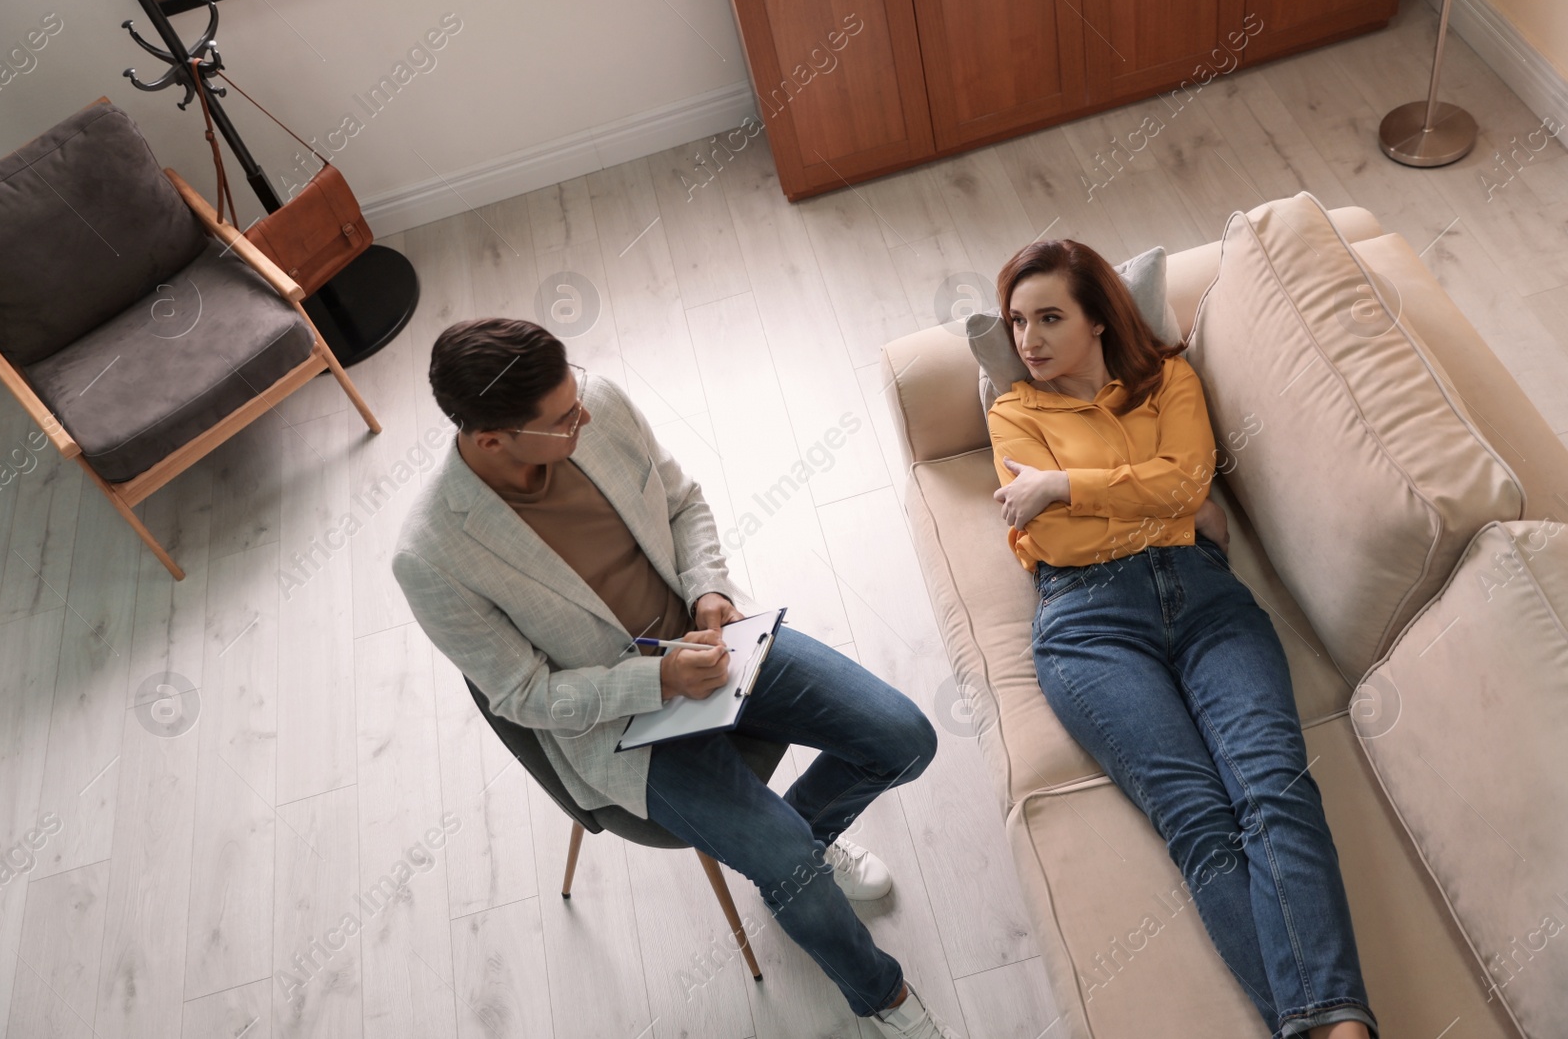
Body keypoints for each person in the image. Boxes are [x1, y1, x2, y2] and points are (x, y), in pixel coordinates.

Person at [392, 318, 957, 1038]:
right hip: (624, 726)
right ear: (491, 439)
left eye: (577, 395)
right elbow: (523, 697)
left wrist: (709, 594)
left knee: (906, 737)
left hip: (720, 642)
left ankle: (809, 833)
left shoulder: (597, 402)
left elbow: (684, 502)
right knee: (788, 868)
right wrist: (657, 681)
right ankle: (879, 993)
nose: (585, 415)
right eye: (563, 418)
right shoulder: (432, 555)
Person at [985, 241, 1377, 1039]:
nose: (1027, 339)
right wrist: (1163, 509)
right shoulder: (1014, 411)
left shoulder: (1171, 380)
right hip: (1088, 624)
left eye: (1050, 316)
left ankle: (1331, 1026)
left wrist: (1062, 484)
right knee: (1197, 818)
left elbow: (1190, 480)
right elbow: (1054, 542)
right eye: (1018, 321)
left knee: (1275, 786)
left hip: (1207, 601)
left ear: (1098, 318)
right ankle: (1336, 1030)